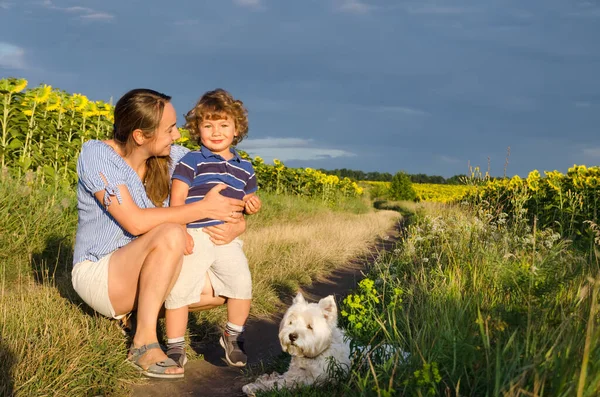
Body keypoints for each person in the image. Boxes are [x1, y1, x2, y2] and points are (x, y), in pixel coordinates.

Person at [71, 88, 246, 379]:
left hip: (152, 268)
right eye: (170, 129)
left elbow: (222, 192)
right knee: (170, 234)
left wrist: (238, 222)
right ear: (140, 136)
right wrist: (201, 209)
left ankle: (134, 317)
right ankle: (143, 342)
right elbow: (136, 223)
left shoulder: (174, 157)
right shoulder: (97, 155)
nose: (177, 135)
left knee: (225, 286)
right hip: (102, 274)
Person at [166, 89, 261, 368]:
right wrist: (180, 229)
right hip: (196, 233)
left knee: (241, 284)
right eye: (208, 125)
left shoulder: (245, 167)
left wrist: (251, 205)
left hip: (227, 238)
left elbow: (245, 200)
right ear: (198, 129)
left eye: (223, 125)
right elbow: (178, 199)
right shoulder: (192, 161)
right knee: (180, 289)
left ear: (236, 129)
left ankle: (232, 337)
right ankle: (175, 346)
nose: (216, 132)